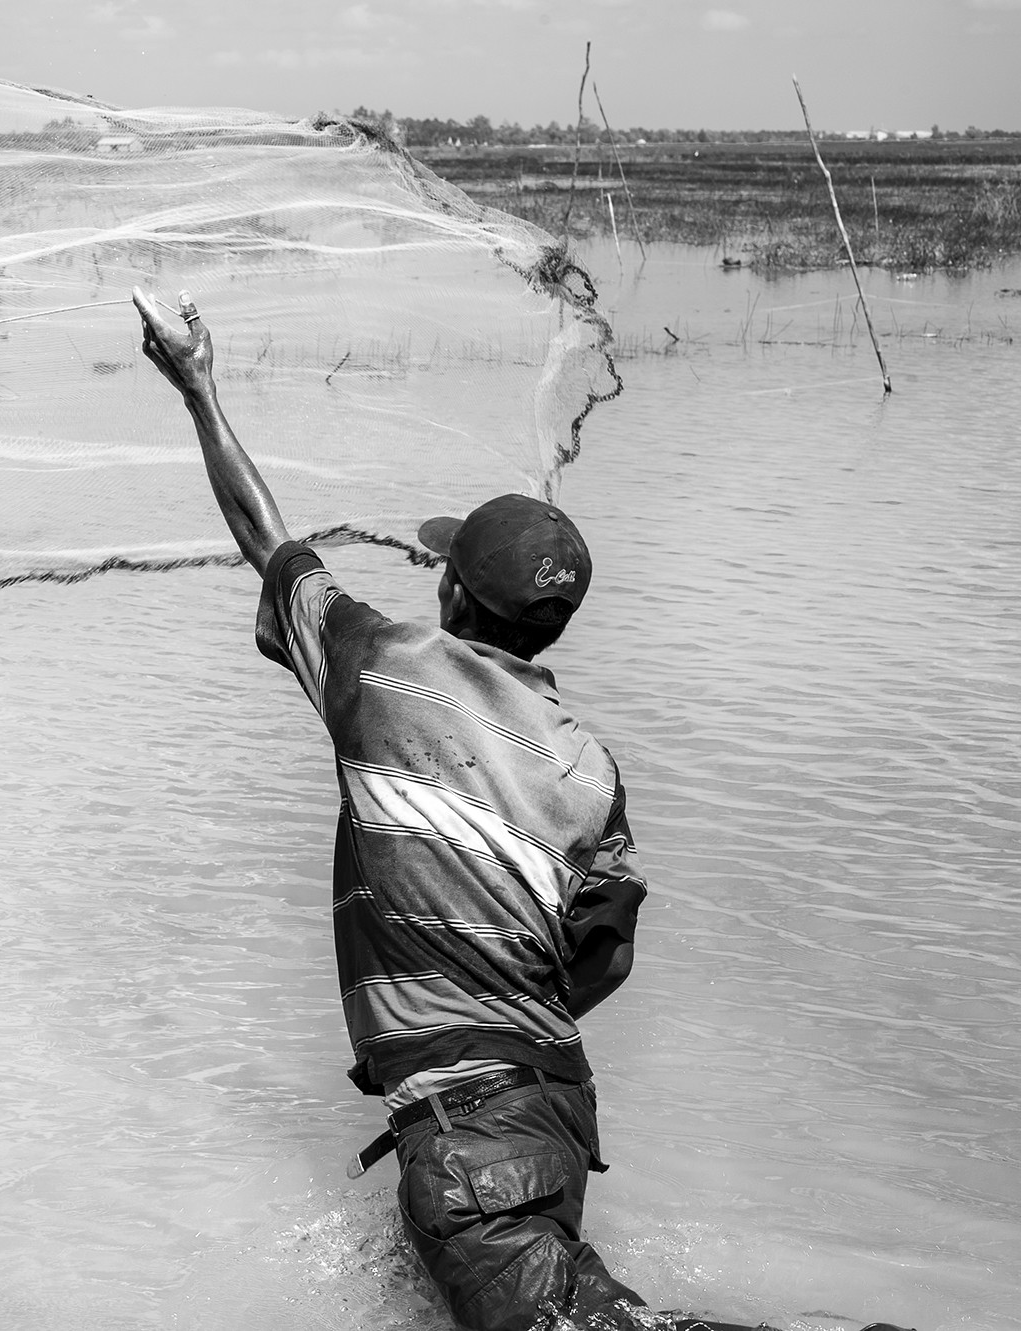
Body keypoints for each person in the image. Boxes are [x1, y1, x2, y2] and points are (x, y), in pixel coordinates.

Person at [130, 289, 910, 1331]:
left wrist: (197, 383)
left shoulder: (375, 668)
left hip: (473, 1136)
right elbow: (605, 954)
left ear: (451, 598)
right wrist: (494, 1002)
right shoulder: (589, 768)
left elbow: (265, 538)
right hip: (545, 1107)